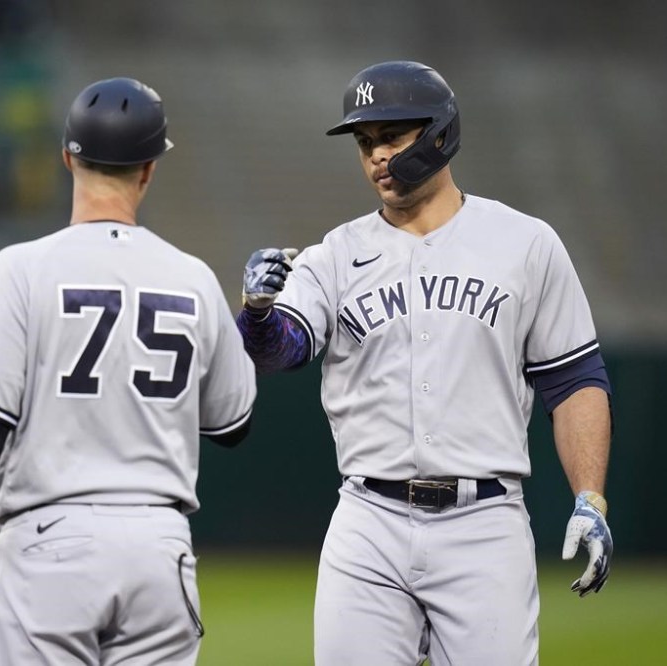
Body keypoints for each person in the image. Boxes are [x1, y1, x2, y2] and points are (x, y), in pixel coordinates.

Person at [237, 61, 613, 665]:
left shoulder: (525, 243)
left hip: (484, 526)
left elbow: (574, 382)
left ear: (440, 133)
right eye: (365, 143)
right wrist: (256, 313)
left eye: (391, 136)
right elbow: (282, 351)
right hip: (369, 522)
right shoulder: (336, 254)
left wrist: (589, 500)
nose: (377, 156)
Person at [0, 77, 257, 665]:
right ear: (149, 168)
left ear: (67, 157)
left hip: (51, 545)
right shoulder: (194, 277)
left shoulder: (21, 269)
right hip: (159, 550)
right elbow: (232, 424)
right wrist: (253, 321)